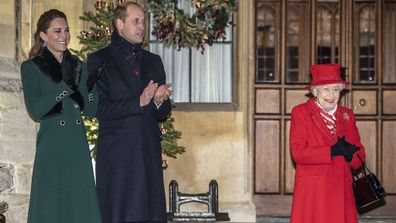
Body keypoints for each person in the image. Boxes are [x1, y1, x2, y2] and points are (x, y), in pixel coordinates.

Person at [87, 2, 172, 223]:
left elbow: (163, 113)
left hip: (147, 152)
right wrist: (138, 101)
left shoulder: (154, 61)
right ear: (119, 24)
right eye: (136, 21)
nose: (142, 26)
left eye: (143, 21)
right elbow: (98, 108)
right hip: (118, 156)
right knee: (119, 214)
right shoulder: (99, 60)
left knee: (150, 213)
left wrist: (157, 100)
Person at [20, 9, 101, 223]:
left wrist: (92, 88)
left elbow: (91, 112)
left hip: (76, 144)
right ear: (43, 36)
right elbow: (35, 110)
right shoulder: (31, 67)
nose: (64, 35)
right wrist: (64, 87)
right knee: (50, 207)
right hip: (52, 145)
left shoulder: (79, 66)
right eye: (57, 31)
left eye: (66, 30)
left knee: (79, 206)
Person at [289, 64, 366, 223]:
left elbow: (360, 156)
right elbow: (298, 153)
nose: (331, 95)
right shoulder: (301, 112)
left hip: (341, 191)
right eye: (326, 89)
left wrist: (351, 155)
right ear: (315, 91)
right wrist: (331, 151)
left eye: (336, 89)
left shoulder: (347, 115)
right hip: (314, 192)